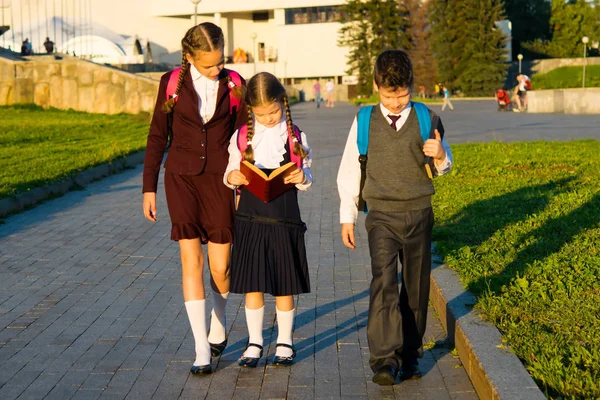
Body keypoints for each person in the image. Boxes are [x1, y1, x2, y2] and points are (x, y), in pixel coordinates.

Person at [337, 50, 453, 385]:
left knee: (415, 289)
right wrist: (347, 215)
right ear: (375, 86)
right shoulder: (363, 120)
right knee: (384, 284)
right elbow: (349, 169)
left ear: (412, 86)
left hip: (418, 212)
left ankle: (411, 354)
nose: (397, 102)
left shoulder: (425, 117)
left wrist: (441, 155)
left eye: (402, 94)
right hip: (382, 215)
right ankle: (385, 360)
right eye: (389, 95)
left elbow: (443, 166)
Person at [142, 22, 247, 375]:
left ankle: (220, 319)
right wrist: (149, 187)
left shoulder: (235, 85)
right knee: (191, 260)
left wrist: (242, 184)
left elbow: (245, 137)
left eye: (221, 61)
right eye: (210, 64)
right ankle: (201, 347)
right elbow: (158, 135)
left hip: (221, 179)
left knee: (221, 266)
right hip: (181, 178)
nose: (218, 68)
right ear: (189, 57)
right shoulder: (171, 84)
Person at [224, 72, 312, 368]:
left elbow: (307, 175)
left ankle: (285, 342)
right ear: (250, 110)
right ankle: (254, 342)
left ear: (282, 103)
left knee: (284, 284)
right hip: (250, 218)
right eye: (261, 114)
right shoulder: (241, 138)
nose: (269, 118)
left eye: (274, 111)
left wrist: (302, 176)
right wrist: (232, 177)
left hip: (284, 219)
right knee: (253, 284)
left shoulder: (295, 136)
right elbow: (229, 173)